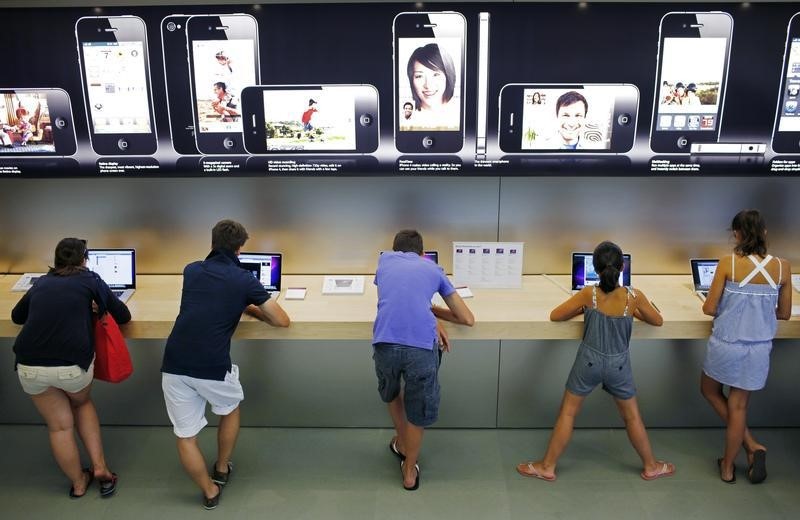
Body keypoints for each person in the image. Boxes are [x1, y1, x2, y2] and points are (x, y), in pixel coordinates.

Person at [516, 241, 675, 482]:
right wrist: (636, 310)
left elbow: (555, 315)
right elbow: (658, 321)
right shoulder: (634, 296)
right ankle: (651, 466)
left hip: (588, 362)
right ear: (622, 267)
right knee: (632, 417)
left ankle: (547, 467)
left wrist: (581, 309)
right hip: (619, 365)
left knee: (568, 413)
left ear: (595, 268)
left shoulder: (588, 294)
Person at [161, 220, 290, 509]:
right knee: (230, 408)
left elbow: (207, 298)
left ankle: (209, 491)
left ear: (212, 243)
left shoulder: (191, 270)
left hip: (173, 363)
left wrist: (239, 303)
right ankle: (221, 467)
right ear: (240, 248)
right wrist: (251, 307)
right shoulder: (243, 278)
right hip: (212, 365)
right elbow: (282, 320)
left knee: (185, 436)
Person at [11, 238, 130, 498]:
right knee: (81, 404)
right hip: (71, 367)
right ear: (84, 259)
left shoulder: (41, 282)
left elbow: (17, 317)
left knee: (59, 427)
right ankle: (100, 468)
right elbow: (123, 315)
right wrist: (97, 307)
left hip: (29, 366)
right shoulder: (91, 280)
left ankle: (78, 483)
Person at [373, 229, 474, 491]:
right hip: (420, 350)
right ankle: (409, 471)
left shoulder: (383, 262)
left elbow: (399, 299)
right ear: (422, 253)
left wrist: (429, 313)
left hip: (385, 344)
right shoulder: (433, 269)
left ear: (395, 250)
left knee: (392, 391)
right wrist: (433, 315)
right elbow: (467, 318)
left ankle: (402, 442)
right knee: (418, 409)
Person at [700, 210, 792, 484]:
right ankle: (740, 456)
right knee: (739, 407)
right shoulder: (782, 267)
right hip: (759, 348)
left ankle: (740, 458)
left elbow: (709, 308)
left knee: (708, 390)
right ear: (764, 233)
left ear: (736, 234)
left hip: (727, 344)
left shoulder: (728, 263)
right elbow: (784, 313)